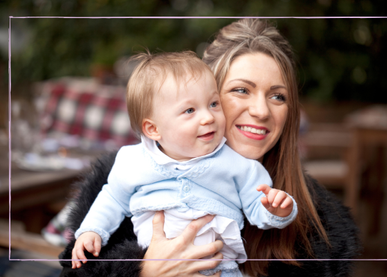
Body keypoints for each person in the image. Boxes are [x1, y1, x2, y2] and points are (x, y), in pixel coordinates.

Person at [59, 19, 361, 277]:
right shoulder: (127, 172)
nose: (261, 111)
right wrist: (142, 270)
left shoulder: (319, 222)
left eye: (277, 96)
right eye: (241, 90)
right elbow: (75, 268)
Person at [71, 51, 298, 277]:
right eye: (190, 110)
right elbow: (112, 198)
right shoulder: (133, 160)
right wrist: (93, 230)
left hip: (221, 269)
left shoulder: (239, 166)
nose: (207, 117)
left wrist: (275, 209)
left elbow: (256, 204)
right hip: (154, 264)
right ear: (153, 129)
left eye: (213, 104)